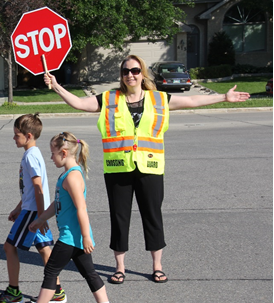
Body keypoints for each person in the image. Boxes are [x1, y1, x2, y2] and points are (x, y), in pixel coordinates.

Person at [44, 54, 250, 284]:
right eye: (125, 71)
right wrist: (57, 86)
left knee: (152, 217)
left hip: (150, 167)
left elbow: (191, 101)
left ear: (142, 73)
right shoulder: (109, 99)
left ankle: (157, 266)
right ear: (121, 76)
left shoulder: (159, 99)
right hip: (118, 169)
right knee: (119, 218)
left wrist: (224, 97)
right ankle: (120, 267)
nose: (130, 75)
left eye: (134, 70)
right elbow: (80, 103)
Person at [0, 113, 65, 303]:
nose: (14, 138)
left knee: (9, 247)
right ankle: (57, 292)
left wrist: (40, 217)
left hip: (33, 212)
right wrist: (18, 207)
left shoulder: (31, 157)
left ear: (28, 135)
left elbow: (38, 187)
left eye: (17, 134)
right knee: (45, 249)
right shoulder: (32, 154)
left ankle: (14, 292)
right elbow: (30, 190)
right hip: (34, 209)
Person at [29, 132, 109, 303]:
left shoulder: (72, 177)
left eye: (52, 153)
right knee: (90, 273)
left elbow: (82, 208)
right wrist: (41, 219)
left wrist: (87, 237)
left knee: (51, 271)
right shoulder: (68, 174)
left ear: (63, 153)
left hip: (70, 237)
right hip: (76, 237)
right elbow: (58, 203)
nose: (51, 157)